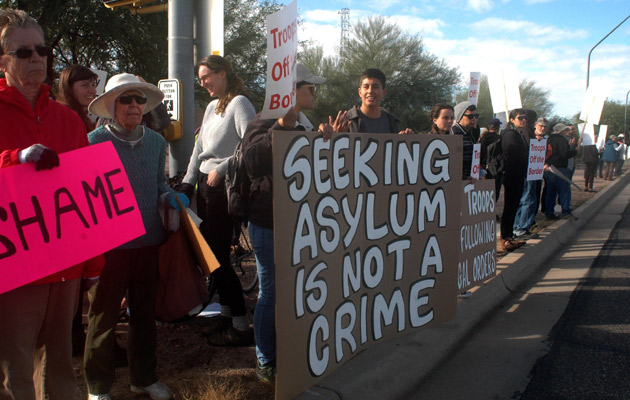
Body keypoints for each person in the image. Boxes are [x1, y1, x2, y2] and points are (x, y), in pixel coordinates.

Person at [0, 9, 102, 400]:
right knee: (15, 368)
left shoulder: (69, 121)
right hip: (14, 268)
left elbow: (88, 200)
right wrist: (15, 159)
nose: (36, 58)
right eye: (22, 52)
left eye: (41, 49)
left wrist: (92, 265)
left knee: (60, 363)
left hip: (65, 267)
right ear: (3, 61)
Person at [84, 73, 187, 400]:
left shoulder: (156, 142)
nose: (133, 105)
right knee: (103, 318)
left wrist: (170, 196)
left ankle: (143, 377)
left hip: (149, 242)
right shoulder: (92, 142)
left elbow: (158, 184)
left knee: (144, 315)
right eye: (126, 99)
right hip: (110, 247)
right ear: (112, 105)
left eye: (139, 99)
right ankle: (97, 387)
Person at [241, 63, 335, 384]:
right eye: (310, 87)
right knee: (271, 292)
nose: (314, 93)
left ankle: (292, 350)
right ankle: (265, 359)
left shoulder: (305, 124)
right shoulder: (264, 121)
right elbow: (252, 163)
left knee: (298, 289)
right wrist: (279, 128)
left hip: (300, 224)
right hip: (269, 224)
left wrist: (328, 142)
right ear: (292, 91)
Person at [178, 55, 256, 346]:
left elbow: (251, 145)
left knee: (217, 256)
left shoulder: (239, 104)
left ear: (223, 73)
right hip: (204, 187)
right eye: (200, 79)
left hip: (223, 188)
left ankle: (240, 324)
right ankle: (226, 313)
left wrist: (221, 170)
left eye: (206, 76)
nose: (203, 83)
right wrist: (187, 183)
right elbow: (198, 150)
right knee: (210, 256)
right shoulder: (212, 107)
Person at [345, 68, 414, 135]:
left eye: (375, 87)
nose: (370, 91)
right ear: (360, 92)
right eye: (366, 87)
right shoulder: (347, 120)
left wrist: (406, 139)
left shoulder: (391, 122)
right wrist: (336, 134)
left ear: (384, 92)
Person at [499, 109, 530, 252]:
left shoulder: (519, 134)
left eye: (525, 118)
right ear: (512, 119)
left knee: (513, 205)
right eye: (520, 118)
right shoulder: (510, 134)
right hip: (512, 175)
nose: (523, 120)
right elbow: (512, 153)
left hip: (518, 174)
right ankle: (506, 238)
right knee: (510, 206)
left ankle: (509, 236)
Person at [513, 117, 547, 239]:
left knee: (525, 199)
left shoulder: (536, 137)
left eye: (544, 126)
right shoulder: (527, 135)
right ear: (535, 125)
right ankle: (521, 228)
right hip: (528, 172)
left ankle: (518, 227)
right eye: (540, 125)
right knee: (528, 199)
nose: (542, 128)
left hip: (534, 171)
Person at [543, 123, 578, 220]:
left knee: (551, 191)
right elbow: (564, 154)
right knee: (564, 191)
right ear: (562, 131)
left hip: (548, 168)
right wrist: (575, 151)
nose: (567, 132)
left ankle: (549, 212)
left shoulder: (548, 139)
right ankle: (565, 211)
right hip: (559, 168)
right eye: (566, 130)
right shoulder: (561, 140)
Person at [57, 64, 98, 132]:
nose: (92, 90)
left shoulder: (82, 116)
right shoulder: (65, 117)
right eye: (85, 85)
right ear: (69, 88)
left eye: (93, 85)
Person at [451, 101, 481, 180]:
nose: (474, 119)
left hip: (470, 179)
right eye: (470, 116)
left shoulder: (471, 133)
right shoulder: (453, 133)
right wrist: (463, 177)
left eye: (476, 116)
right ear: (460, 116)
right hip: (457, 180)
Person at [479, 118, 503, 200]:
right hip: (496, 168)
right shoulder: (500, 138)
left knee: (484, 190)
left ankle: (486, 211)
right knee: (495, 191)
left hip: (483, 167)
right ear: (497, 127)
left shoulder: (483, 138)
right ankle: (492, 210)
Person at [579, 127, 599, 192]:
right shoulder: (593, 144)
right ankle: (590, 187)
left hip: (587, 160)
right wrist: (599, 151)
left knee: (587, 174)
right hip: (592, 160)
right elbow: (595, 153)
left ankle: (586, 186)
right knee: (591, 174)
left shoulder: (585, 144)